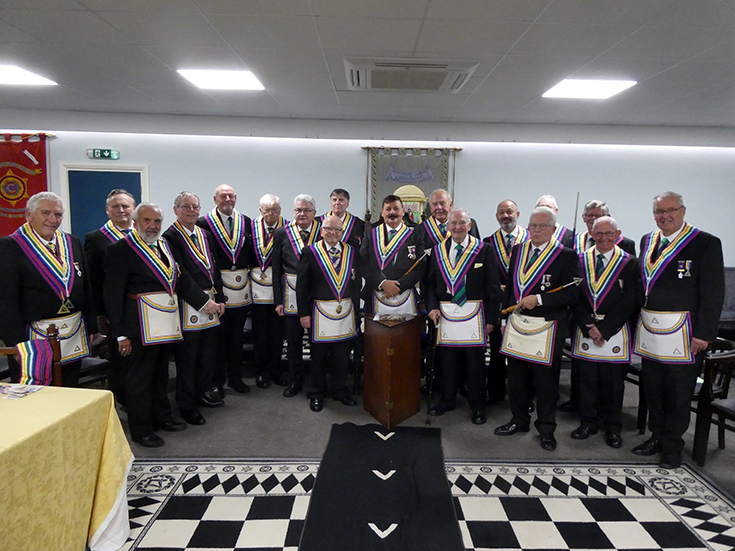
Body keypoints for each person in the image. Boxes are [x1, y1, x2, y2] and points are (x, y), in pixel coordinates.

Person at [104, 203, 220, 447]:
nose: (153, 226)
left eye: (157, 221)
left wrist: (205, 303)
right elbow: (112, 294)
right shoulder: (121, 249)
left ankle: (162, 417)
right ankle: (141, 429)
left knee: (160, 374)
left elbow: (181, 279)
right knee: (140, 378)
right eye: (147, 220)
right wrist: (120, 334)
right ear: (135, 222)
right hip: (138, 326)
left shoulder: (164, 245)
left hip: (165, 323)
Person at [632, 191, 724, 469]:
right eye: (659, 212)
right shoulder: (648, 240)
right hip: (650, 330)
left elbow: (713, 293)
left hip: (684, 333)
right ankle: (657, 436)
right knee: (654, 388)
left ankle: (672, 446)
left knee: (678, 392)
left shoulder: (705, 243)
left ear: (683, 211)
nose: (665, 216)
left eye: (670, 210)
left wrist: (703, 334)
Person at [494, 206, 580, 451]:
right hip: (517, 323)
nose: (536, 230)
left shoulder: (565, 255)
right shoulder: (518, 250)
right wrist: (504, 319)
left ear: (553, 229)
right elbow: (511, 287)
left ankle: (546, 429)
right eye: (533, 225)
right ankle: (519, 420)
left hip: (547, 327)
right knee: (517, 378)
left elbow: (572, 293)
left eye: (542, 226)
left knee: (545, 383)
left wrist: (540, 299)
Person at [0, 191, 96, 386]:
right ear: (29, 215)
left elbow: (86, 287)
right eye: (45, 213)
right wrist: (15, 343)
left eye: (58, 215)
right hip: (32, 336)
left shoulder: (72, 242)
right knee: (36, 394)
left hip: (73, 332)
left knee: (70, 388)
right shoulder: (9, 247)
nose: (53, 220)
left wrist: (91, 325)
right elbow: (6, 300)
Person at [425, 209, 501, 424]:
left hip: (474, 316)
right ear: (447, 226)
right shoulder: (437, 251)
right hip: (445, 315)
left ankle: (478, 406)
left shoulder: (484, 250)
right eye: (453, 223)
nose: (457, 227)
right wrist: (432, 307)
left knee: (475, 364)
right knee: (447, 362)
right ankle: (447, 400)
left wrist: (491, 320)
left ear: (469, 226)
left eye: (462, 223)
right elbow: (429, 284)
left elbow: (493, 287)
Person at [570, 216, 639, 448]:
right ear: (592, 234)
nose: (603, 238)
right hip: (586, 327)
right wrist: (589, 325)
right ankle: (588, 422)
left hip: (615, 330)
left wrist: (604, 328)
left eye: (609, 233)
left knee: (613, 384)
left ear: (617, 235)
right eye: (598, 233)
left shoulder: (629, 262)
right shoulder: (580, 259)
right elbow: (575, 297)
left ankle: (613, 427)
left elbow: (630, 300)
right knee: (586, 380)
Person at [163, 192, 227, 425]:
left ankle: (201, 394)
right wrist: (203, 302)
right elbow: (180, 275)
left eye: (195, 207)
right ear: (176, 210)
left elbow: (214, 268)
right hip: (188, 304)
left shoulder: (205, 234)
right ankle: (186, 405)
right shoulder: (169, 237)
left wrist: (219, 297)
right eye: (186, 206)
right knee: (188, 358)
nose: (191, 210)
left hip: (211, 302)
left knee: (207, 354)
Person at [297, 215, 361, 412]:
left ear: (342, 232)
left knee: (342, 357)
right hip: (320, 313)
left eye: (337, 230)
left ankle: (340, 390)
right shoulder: (310, 251)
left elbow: (356, 282)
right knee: (318, 357)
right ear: (321, 230)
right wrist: (303, 313)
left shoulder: (351, 251)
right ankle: (316, 393)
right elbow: (302, 286)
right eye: (329, 229)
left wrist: (357, 310)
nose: (333, 233)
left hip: (345, 312)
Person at [197, 184, 252, 396]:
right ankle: (217, 381)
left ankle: (236, 378)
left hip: (241, 289)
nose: (227, 199)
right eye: (223, 196)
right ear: (215, 199)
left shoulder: (245, 221)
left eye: (231, 196)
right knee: (218, 339)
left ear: (236, 198)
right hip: (217, 288)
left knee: (237, 338)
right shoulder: (204, 223)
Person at [84, 188, 136, 405]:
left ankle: (144, 399)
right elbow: (93, 280)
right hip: (116, 310)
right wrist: (99, 314)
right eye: (115, 206)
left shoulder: (146, 234)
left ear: (133, 209)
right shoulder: (96, 239)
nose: (121, 210)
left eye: (125, 206)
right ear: (107, 210)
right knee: (121, 358)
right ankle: (123, 400)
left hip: (145, 309)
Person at [273, 194, 321, 398]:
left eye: (306, 210)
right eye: (298, 210)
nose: (302, 214)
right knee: (293, 343)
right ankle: (295, 381)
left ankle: (316, 383)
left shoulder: (323, 230)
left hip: (317, 294)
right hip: (290, 295)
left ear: (314, 213)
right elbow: (276, 269)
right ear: (293, 212)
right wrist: (278, 300)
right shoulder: (282, 232)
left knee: (317, 343)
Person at [483, 199, 529, 405]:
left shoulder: (530, 240)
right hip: (499, 306)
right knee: (497, 350)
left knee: (523, 353)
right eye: (501, 213)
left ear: (518, 214)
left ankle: (525, 396)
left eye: (509, 212)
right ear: (496, 217)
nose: (505, 216)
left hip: (524, 306)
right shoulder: (488, 242)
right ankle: (495, 393)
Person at [360, 195, 427, 318]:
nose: (392, 212)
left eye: (396, 209)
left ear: (403, 211)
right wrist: (382, 283)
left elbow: (421, 266)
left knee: (407, 330)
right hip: (375, 293)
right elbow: (363, 262)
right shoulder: (371, 234)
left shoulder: (415, 235)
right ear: (382, 212)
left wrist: (398, 287)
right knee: (376, 331)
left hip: (406, 294)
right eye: (388, 209)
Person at [250, 193, 287, 389]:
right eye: (266, 210)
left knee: (277, 333)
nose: (270, 214)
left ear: (280, 211)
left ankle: (276, 371)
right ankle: (260, 372)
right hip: (256, 288)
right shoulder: (251, 227)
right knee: (260, 333)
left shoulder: (287, 228)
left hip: (279, 289)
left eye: (274, 210)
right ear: (260, 211)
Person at [414, 189, 480, 249]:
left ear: (450, 205)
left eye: (442, 203)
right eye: (435, 204)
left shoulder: (467, 223)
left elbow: (477, 249)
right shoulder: (420, 230)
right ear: (431, 207)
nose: (439, 207)